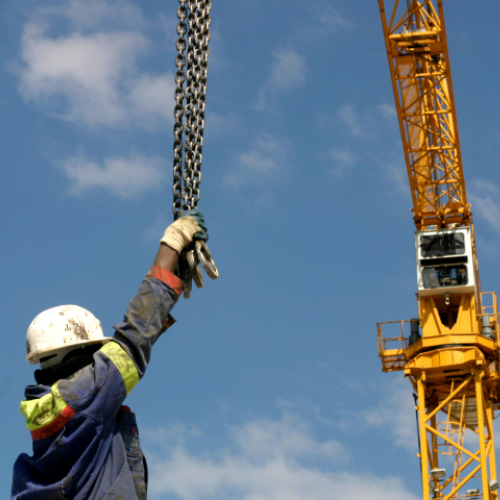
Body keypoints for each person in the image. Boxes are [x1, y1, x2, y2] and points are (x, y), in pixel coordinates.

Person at [11, 209, 208, 500]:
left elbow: (131, 346)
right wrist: (173, 243)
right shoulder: (86, 394)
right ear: (79, 354)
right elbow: (131, 341)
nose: (101, 360)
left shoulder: (51, 423)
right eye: (96, 353)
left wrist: (161, 310)